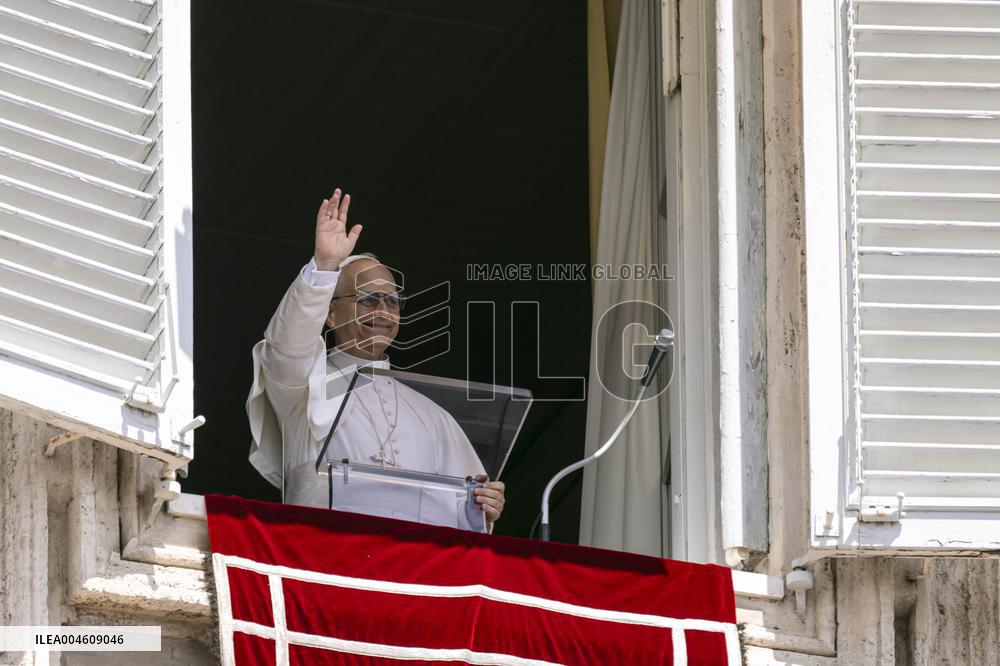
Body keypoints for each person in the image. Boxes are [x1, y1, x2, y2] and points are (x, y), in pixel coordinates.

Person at [246, 188, 506, 528]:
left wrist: (485, 506)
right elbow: (286, 346)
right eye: (368, 299)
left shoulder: (433, 416)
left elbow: (464, 512)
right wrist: (324, 267)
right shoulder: (303, 387)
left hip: (409, 571)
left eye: (392, 301)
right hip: (324, 556)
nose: (383, 310)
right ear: (331, 315)